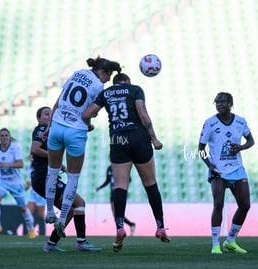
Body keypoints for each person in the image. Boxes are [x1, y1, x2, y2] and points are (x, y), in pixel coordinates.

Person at [83, 73, 170, 252]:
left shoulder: (106, 93)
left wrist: (89, 124)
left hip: (118, 140)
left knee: (120, 186)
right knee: (150, 184)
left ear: (115, 83)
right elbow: (143, 114)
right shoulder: (135, 90)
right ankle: (160, 227)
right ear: (128, 82)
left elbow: (87, 114)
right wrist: (154, 138)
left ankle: (120, 227)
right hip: (138, 137)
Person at [44, 56, 122, 238]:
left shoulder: (77, 73)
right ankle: (62, 219)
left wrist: (49, 127)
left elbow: (58, 102)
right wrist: (89, 124)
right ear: (103, 72)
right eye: (108, 77)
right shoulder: (98, 87)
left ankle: (49, 211)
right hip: (75, 132)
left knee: (52, 171)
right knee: (72, 177)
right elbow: (88, 114)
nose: (107, 80)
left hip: (56, 125)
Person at [30, 106, 101, 251]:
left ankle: (52, 243)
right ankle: (80, 241)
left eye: (51, 114)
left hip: (45, 178)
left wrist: (61, 166)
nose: (49, 116)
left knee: (71, 209)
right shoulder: (41, 129)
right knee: (78, 203)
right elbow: (35, 149)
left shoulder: (53, 130)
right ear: (39, 118)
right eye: (46, 114)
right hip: (43, 178)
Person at [198, 92, 255, 254]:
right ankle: (215, 244)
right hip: (218, 170)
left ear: (231, 104)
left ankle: (230, 241)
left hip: (237, 169)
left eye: (223, 102)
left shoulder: (240, 121)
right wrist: (210, 165)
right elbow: (201, 149)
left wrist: (241, 147)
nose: (220, 104)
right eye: (217, 102)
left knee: (245, 205)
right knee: (218, 204)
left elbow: (251, 140)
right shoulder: (210, 123)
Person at [0, 128, 35, 239]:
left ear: (9, 137)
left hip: (15, 182)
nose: (4, 137)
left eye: (6, 135)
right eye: (2, 135)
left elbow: (20, 164)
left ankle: (31, 229)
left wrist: (7, 164)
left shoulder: (15, 148)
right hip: (1, 181)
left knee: (23, 208)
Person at [96, 164, 136, 236]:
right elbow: (107, 180)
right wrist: (100, 187)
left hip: (120, 191)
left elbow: (129, 179)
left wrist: (121, 185)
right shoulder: (109, 168)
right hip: (112, 193)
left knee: (117, 212)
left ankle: (120, 230)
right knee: (115, 214)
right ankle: (128, 225)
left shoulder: (120, 166)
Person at [25, 155, 46, 236]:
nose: (31, 159)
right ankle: (31, 231)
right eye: (30, 157)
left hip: (41, 192)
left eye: (32, 157)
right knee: (29, 212)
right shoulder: (28, 167)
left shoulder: (42, 166)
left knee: (40, 216)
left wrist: (34, 182)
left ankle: (42, 232)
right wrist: (27, 186)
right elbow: (29, 179)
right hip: (33, 193)